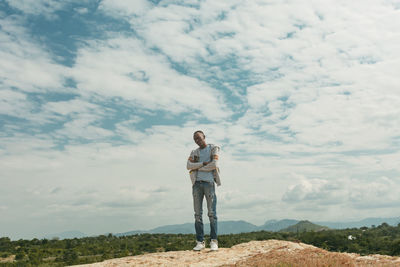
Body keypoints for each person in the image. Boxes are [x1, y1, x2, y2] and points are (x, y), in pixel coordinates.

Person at [186, 130, 221, 251]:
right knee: (197, 214)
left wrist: (199, 167)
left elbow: (214, 164)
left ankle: (214, 240)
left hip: (209, 183)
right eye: (195, 139)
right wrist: (203, 164)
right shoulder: (194, 152)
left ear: (204, 137)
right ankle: (200, 241)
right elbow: (188, 166)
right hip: (196, 184)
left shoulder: (213, 148)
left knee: (212, 213)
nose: (197, 140)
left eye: (199, 138)